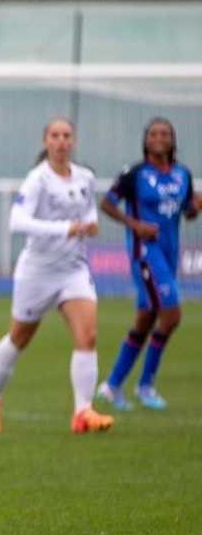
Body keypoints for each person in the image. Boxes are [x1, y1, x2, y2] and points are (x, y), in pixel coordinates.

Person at [0, 117, 113, 435]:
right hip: (37, 272)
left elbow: (88, 211)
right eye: (55, 135)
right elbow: (17, 222)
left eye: (67, 135)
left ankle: (83, 411)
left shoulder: (85, 177)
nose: (61, 141)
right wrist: (64, 229)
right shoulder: (37, 180)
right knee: (19, 337)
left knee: (88, 336)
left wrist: (90, 224)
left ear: (74, 141)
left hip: (74, 270)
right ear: (45, 141)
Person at [95, 117, 201, 411]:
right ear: (145, 140)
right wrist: (134, 224)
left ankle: (112, 386)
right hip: (145, 252)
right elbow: (107, 203)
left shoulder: (183, 174)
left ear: (173, 139)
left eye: (164, 133)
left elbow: (188, 212)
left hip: (168, 251)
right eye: (153, 133)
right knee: (171, 315)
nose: (159, 137)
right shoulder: (135, 173)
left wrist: (196, 207)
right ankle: (145, 386)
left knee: (145, 319)